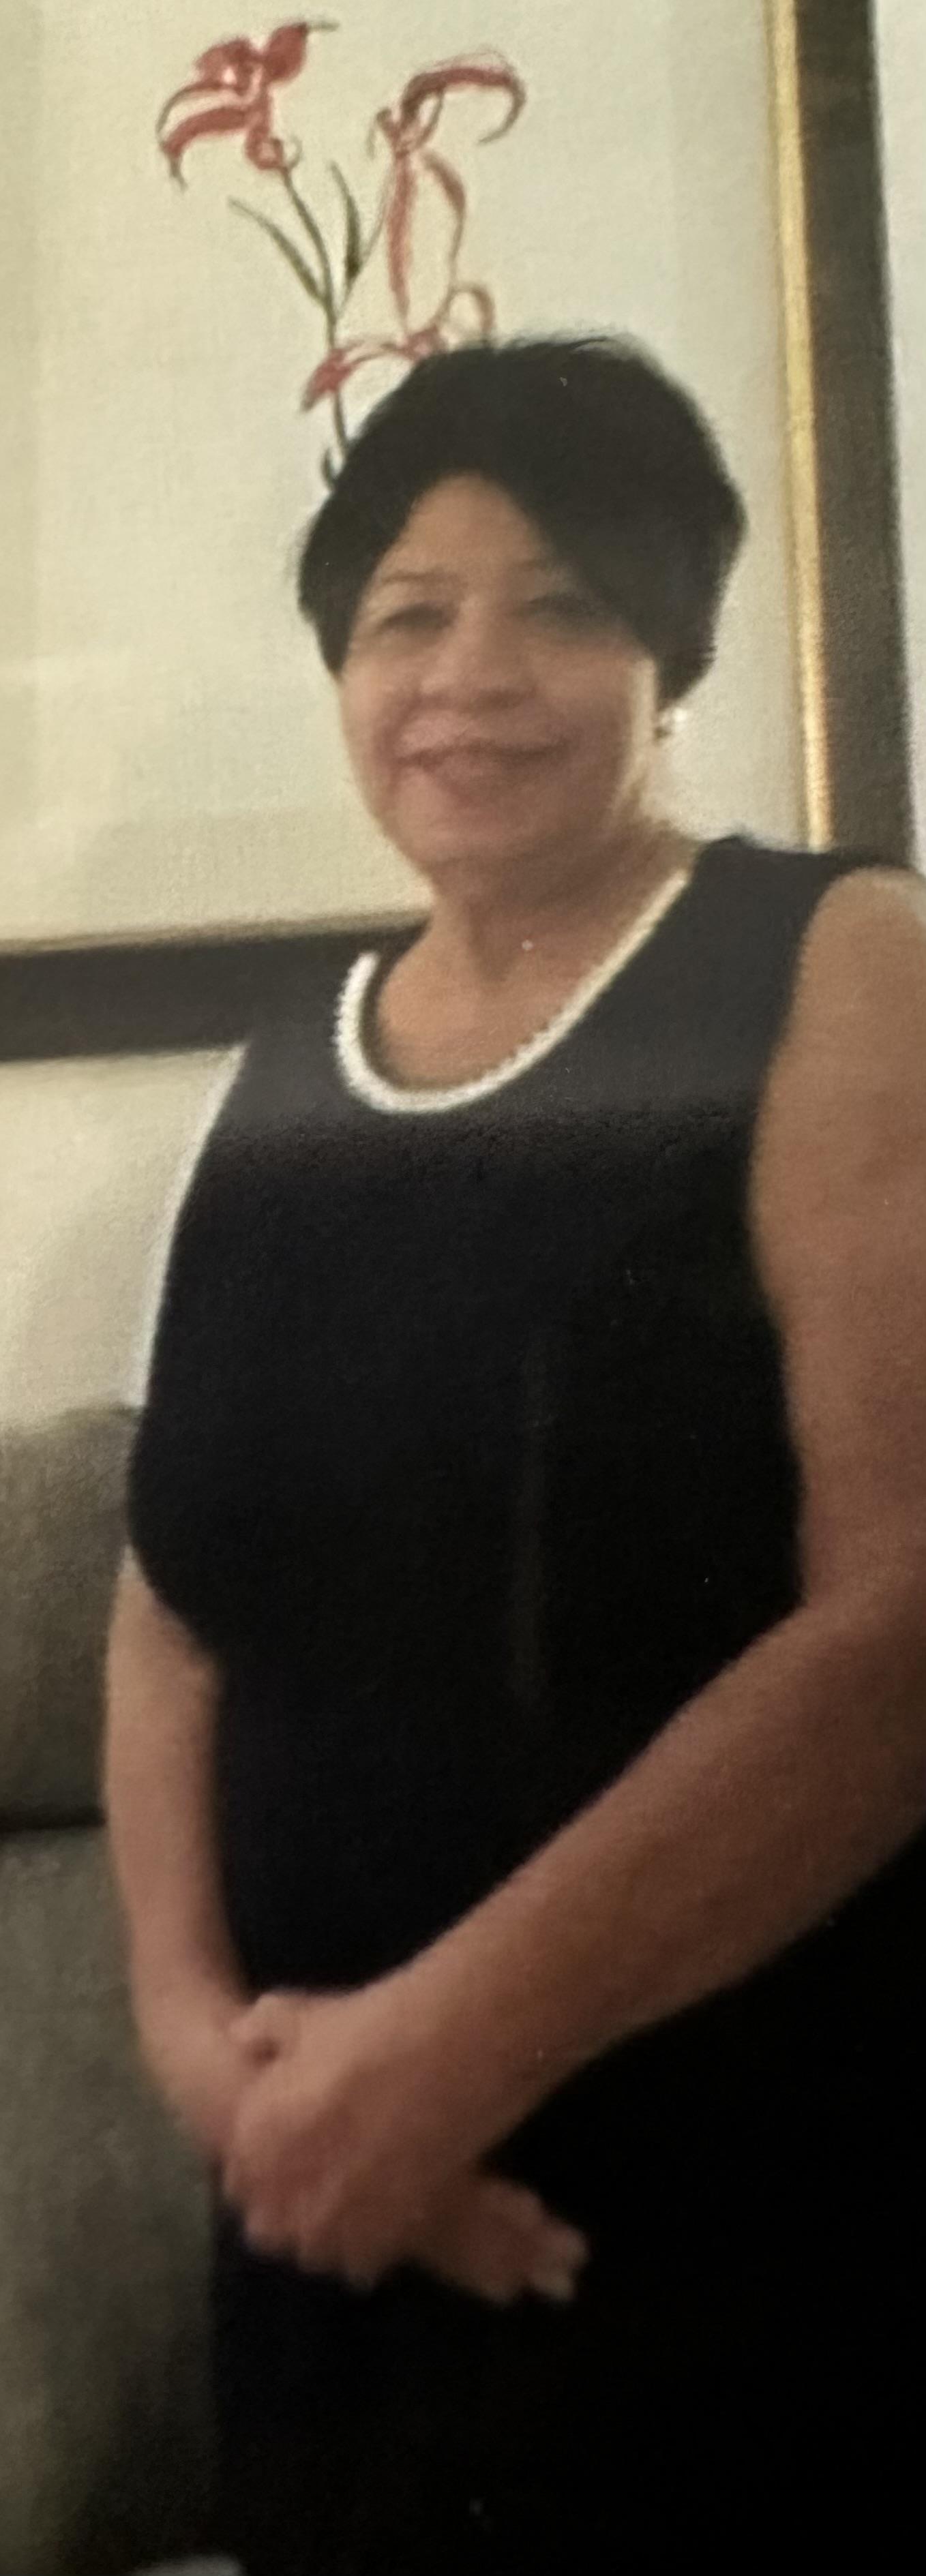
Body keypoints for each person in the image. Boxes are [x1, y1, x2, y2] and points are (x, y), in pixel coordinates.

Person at [106, 335, 926, 2572]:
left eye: (562, 601)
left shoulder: (835, 961)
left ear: (673, 645)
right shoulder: (287, 1071)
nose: (474, 670)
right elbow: (175, 1606)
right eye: (406, 612)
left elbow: (898, 1633)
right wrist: (214, 2066)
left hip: (708, 2202)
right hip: (334, 2223)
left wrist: (436, 2059)